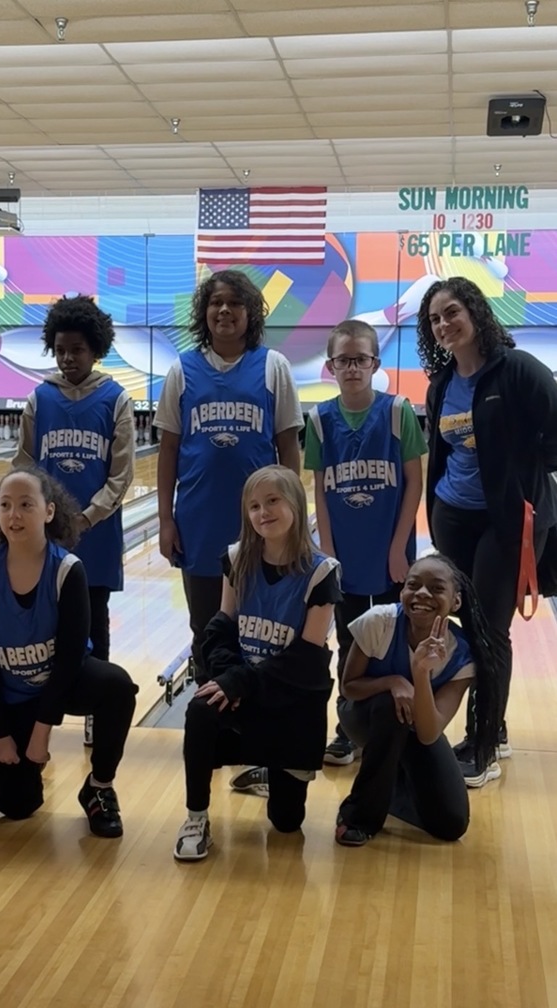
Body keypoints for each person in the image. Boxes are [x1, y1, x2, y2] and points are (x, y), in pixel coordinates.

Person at [417, 276, 557, 785]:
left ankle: (483, 745)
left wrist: (530, 473)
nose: (444, 324)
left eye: (451, 312)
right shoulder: (441, 384)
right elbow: (444, 452)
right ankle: (491, 730)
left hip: (507, 521)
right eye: (434, 319)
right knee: (465, 627)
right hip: (455, 516)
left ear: (475, 312)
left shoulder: (516, 370)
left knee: (490, 629)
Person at [173, 466, 339, 861]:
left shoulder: (322, 573)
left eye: (273, 501)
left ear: (296, 504)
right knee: (200, 709)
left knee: (286, 822)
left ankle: (271, 770)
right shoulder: (236, 559)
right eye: (253, 506)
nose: (263, 512)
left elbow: (306, 659)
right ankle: (196, 817)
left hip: (292, 701)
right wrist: (228, 679)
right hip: (244, 695)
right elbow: (220, 629)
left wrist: (240, 680)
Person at [0, 467, 138, 839]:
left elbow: (69, 658)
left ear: (49, 511)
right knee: (15, 806)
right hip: (13, 693)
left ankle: (99, 786)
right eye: (5, 505)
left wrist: (42, 732)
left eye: (26, 504)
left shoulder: (67, 570)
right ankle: (22, 773)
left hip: (63, 683)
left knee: (117, 686)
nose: (14, 515)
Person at [155, 270, 303, 686]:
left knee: (260, 632)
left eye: (235, 303)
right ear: (203, 312)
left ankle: (253, 720)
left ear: (250, 313)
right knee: (206, 630)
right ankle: (210, 718)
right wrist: (166, 520)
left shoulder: (274, 366)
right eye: (216, 302)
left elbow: (289, 446)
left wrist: (290, 516)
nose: (225, 310)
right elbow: (168, 450)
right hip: (198, 524)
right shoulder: (182, 370)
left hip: (261, 525)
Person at [13, 295, 135, 746]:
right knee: (44, 617)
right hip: (45, 533)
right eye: (61, 350)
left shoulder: (115, 399)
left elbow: (121, 475)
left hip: (95, 533)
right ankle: (37, 698)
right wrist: (29, 513)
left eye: (77, 350)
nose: (68, 358)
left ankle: (94, 707)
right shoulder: (39, 398)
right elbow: (24, 463)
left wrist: (84, 518)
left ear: (95, 349)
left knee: (93, 617)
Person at [304, 319, 425, 769]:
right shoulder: (318, 420)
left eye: (360, 359)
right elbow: (320, 491)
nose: (351, 368)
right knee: (350, 645)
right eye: (343, 360)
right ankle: (347, 729)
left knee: (397, 643)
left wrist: (399, 548)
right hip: (345, 557)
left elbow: (414, 483)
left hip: (392, 554)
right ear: (330, 366)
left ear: (375, 363)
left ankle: (403, 727)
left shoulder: (398, 412)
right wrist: (328, 553)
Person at [335, 554, 504, 846]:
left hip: (416, 728)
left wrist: (421, 673)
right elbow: (349, 688)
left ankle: (387, 787)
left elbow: (428, 733)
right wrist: (393, 681)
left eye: (437, 588)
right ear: (402, 593)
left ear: (456, 602)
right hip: (364, 716)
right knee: (390, 707)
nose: (423, 593)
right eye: (414, 585)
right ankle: (359, 816)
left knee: (451, 823)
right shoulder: (379, 622)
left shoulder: (462, 654)